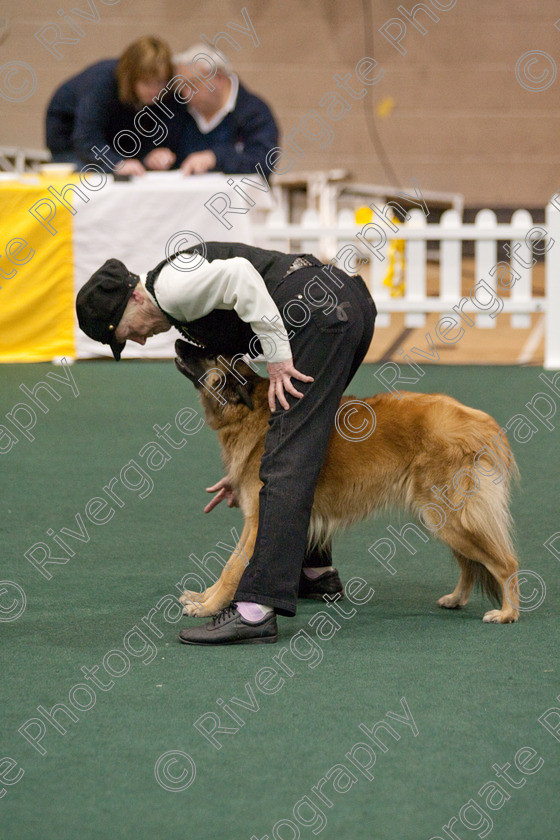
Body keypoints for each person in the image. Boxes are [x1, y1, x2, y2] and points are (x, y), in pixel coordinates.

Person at [75, 243, 377, 645]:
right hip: (345, 304)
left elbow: (240, 275)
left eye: (127, 332)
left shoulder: (172, 288)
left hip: (320, 316)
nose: (140, 342)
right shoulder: (173, 292)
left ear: (133, 296)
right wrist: (242, 475)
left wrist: (276, 354)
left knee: (287, 461)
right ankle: (314, 572)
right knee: (306, 438)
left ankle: (256, 610)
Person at [45, 36, 177, 175]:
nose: (155, 91)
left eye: (160, 83)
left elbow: (149, 133)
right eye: (146, 83)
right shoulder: (101, 84)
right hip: (68, 140)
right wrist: (115, 163)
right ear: (130, 79)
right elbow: (86, 138)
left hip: (110, 137)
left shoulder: (163, 92)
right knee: (97, 177)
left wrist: (151, 156)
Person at [167, 46, 279, 176]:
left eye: (193, 84)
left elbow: (262, 162)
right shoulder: (178, 110)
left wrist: (216, 158)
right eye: (181, 86)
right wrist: (153, 158)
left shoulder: (253, 112)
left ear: (219, 78)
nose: (185, 94)